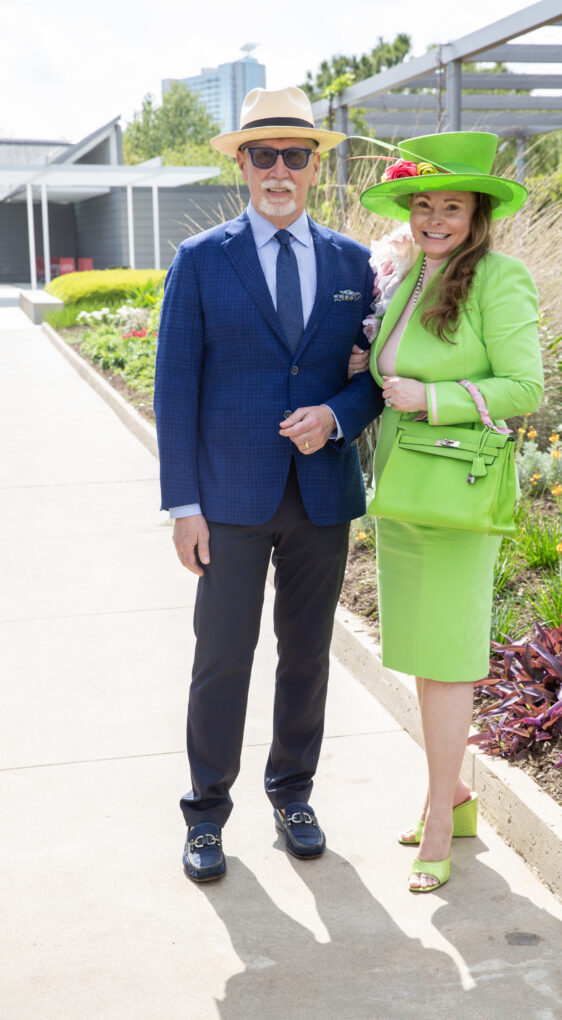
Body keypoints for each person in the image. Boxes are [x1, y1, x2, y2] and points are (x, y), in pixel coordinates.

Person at [154, 86, 383, 882]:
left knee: (307, 656)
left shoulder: (356, 264)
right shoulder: (200, 260)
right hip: (228, 501)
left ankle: (292, 794)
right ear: (243, 166)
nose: (278, 170)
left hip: (320, 495)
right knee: (221, 657)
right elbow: (174, 387)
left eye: (294, 154)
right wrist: (184, 505)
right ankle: (205, 813)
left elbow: (375, 382)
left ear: (315, 166)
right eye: (262, 155)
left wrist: (336, 413)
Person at [360, 132, 543, 893]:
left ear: (477, 214)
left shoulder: (499, 278)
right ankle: (455, 796)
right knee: (425, 660)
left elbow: (523, 388)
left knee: (450, 659)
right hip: (403, 492)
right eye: (424, 204)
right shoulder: (407, 274)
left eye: (452, 206)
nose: (436, 217)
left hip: (456, 496)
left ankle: (440, 823)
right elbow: (387, 364)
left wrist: (432, 399)